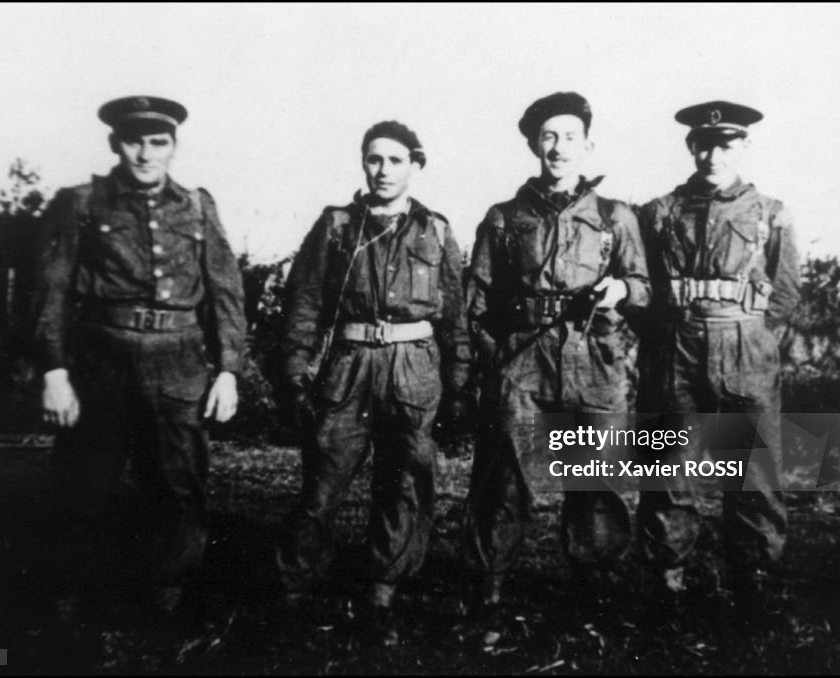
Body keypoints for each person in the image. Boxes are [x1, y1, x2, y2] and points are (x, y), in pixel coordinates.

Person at [32, 95, 246, 611]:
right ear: (115, 144)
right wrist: (54, 370)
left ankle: (166, 596)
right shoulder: (81, 203)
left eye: (158, 142)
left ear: (173, 147)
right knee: (84, 481)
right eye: (134, 141)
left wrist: (230, 371)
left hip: (179, 362)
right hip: (103, 357)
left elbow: (225, 292)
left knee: (178, 484)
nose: (146, 154)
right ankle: (67, 597)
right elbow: (51, 290)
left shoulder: (196, 205)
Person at [277, 120, 472, 646]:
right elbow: (304, 303)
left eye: (395, 160)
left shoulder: (436, 230)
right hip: (349, 367)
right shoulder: (338, 225)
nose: (383, 170)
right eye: (374, 159)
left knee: (404, 483)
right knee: (322, 481)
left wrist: (456, 386)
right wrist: (294, 374)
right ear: (363, 163)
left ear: (416, 165)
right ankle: (295, 590)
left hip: (413, 370)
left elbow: (455, 316)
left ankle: (382, 595)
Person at [463, 92, 650, 633]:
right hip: (522, 359)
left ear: (588, 145)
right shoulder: (504, 217)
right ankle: (488, 598)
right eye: (548, 136)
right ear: (532, 144)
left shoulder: (616, 216)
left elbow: (644, 286)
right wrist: (494, 363)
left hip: (595, 360)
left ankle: (592, 600)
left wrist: (621, 288)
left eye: (570, 137)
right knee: (503, 480)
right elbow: (475, 301)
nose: (559, 147)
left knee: (596, 482)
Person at [635, 100, 800, 618]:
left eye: (726, 143)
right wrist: (670, 334)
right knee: (666, 469)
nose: (714, 153)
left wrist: (750, 336)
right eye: (704, 143)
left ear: (745, 147)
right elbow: (643, 290)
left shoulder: (771, 212)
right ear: (690, 146)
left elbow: (786, 292)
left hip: (745, 350)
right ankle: (667, 585)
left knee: (752, 472)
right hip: (675, 349)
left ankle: (755, 587)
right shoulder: (659, 212)